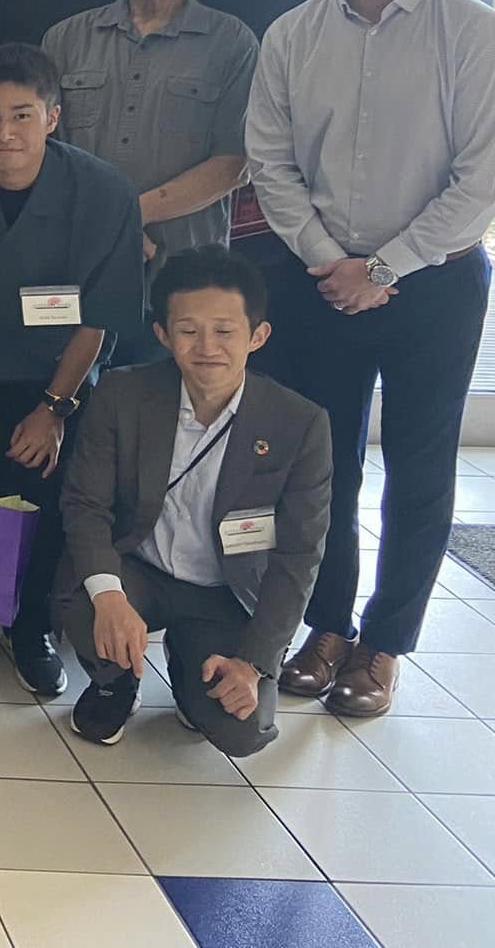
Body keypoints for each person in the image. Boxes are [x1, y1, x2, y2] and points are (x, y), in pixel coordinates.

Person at [247, 0, 495, 717]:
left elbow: (481, 178)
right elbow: (270, 163)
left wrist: (384, 268)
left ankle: (385, 644)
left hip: (435, 282)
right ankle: (326, 626)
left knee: (421, 467)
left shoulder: (473, 32)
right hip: (320, 280)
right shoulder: (292, 34)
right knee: (327, 464)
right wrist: (331, 262)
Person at [0, 43, 145, 697]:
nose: (4, 133)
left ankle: (31, 627)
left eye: (22, 115)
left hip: (57, 370)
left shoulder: (103, 192)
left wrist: (54, 409)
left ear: (52, 116)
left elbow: (98, 316)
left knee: (46, 494)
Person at [55, 247, 332, 755]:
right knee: (83, 598)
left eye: (225, 331)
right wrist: (109, 595)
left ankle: (190, 668)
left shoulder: (300, 424)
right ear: (163, 334)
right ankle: (116, 682)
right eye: (188, 330)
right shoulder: (122, 394)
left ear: (257, 335)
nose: (207, 348)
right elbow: (84, 505)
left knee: (240, 731)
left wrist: (253, 663)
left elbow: (299, 556)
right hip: (139, 570)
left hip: (225, 592)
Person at [42, 0, 259, 364]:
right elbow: (44, 156)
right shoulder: (65, 39)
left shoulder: (233, 43)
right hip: (77, 269)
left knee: (165, 404)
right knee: (64, 401)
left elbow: (233, 164)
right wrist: (113, 229)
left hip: (183, 279)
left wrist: (123, 219)